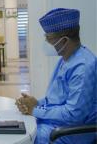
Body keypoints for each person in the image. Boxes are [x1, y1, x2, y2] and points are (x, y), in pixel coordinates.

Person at [15, 8, 97, 144]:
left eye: (49, 39)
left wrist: (34, 110)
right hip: (59, 123)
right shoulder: (66, 59)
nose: (46, 43)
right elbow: (58, 99)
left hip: (75, 131)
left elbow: (73, 115)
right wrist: (37, 103)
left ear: (64, 41)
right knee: (22, 126)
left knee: (30, 136)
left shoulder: (83, 67)